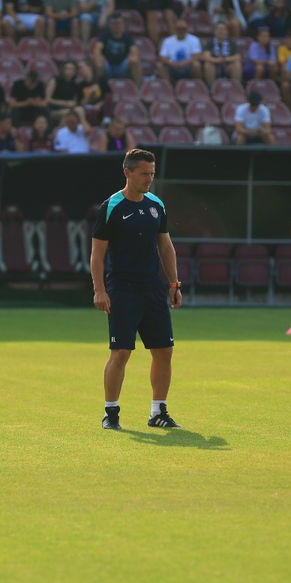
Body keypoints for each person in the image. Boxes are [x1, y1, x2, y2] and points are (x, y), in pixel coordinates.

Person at [90, 149, 182, 431]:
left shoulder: (156, 205)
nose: (149, 179)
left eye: (152, 174)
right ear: (127, 172)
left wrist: (174, 283)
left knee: (164, 350)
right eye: (144, 174)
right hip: (122, 290)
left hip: (152, 288)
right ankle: (111, 412)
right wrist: (99, 290)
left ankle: (158, 412)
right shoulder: (111, 207)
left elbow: (165, 246)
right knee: (121, 352)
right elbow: (97, 254)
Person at [92, 13, 141, 84]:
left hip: (122, 67)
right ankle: (98, 86)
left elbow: (134, 50)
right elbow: (97, 48)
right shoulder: (105, 35)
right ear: (110, 25)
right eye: (114, 24)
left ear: (122, 24)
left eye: (118, 23)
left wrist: (132, 57)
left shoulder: (127, 37)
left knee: (135, 60)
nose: (116, 26)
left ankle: (137, 87)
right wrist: (98, 58)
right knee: (98, 59)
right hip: (107, 67)